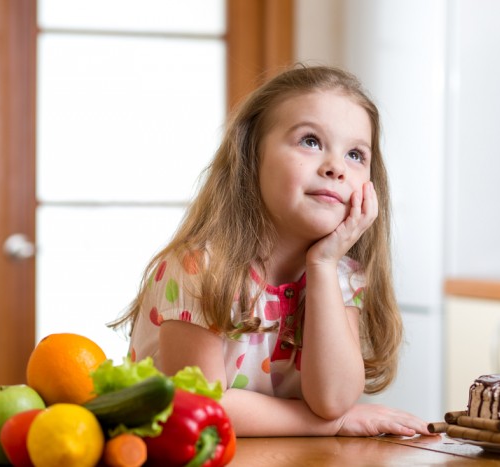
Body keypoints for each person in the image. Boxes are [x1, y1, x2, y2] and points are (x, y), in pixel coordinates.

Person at [111, 64, 433, 437]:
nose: (335, 168)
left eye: (356, 155)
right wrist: (333, 424)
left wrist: (324, 264)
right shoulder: (200, 268)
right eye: (310, 141)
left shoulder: (339, 274)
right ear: (252, 156)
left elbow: (332, 400)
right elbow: (201, 410)